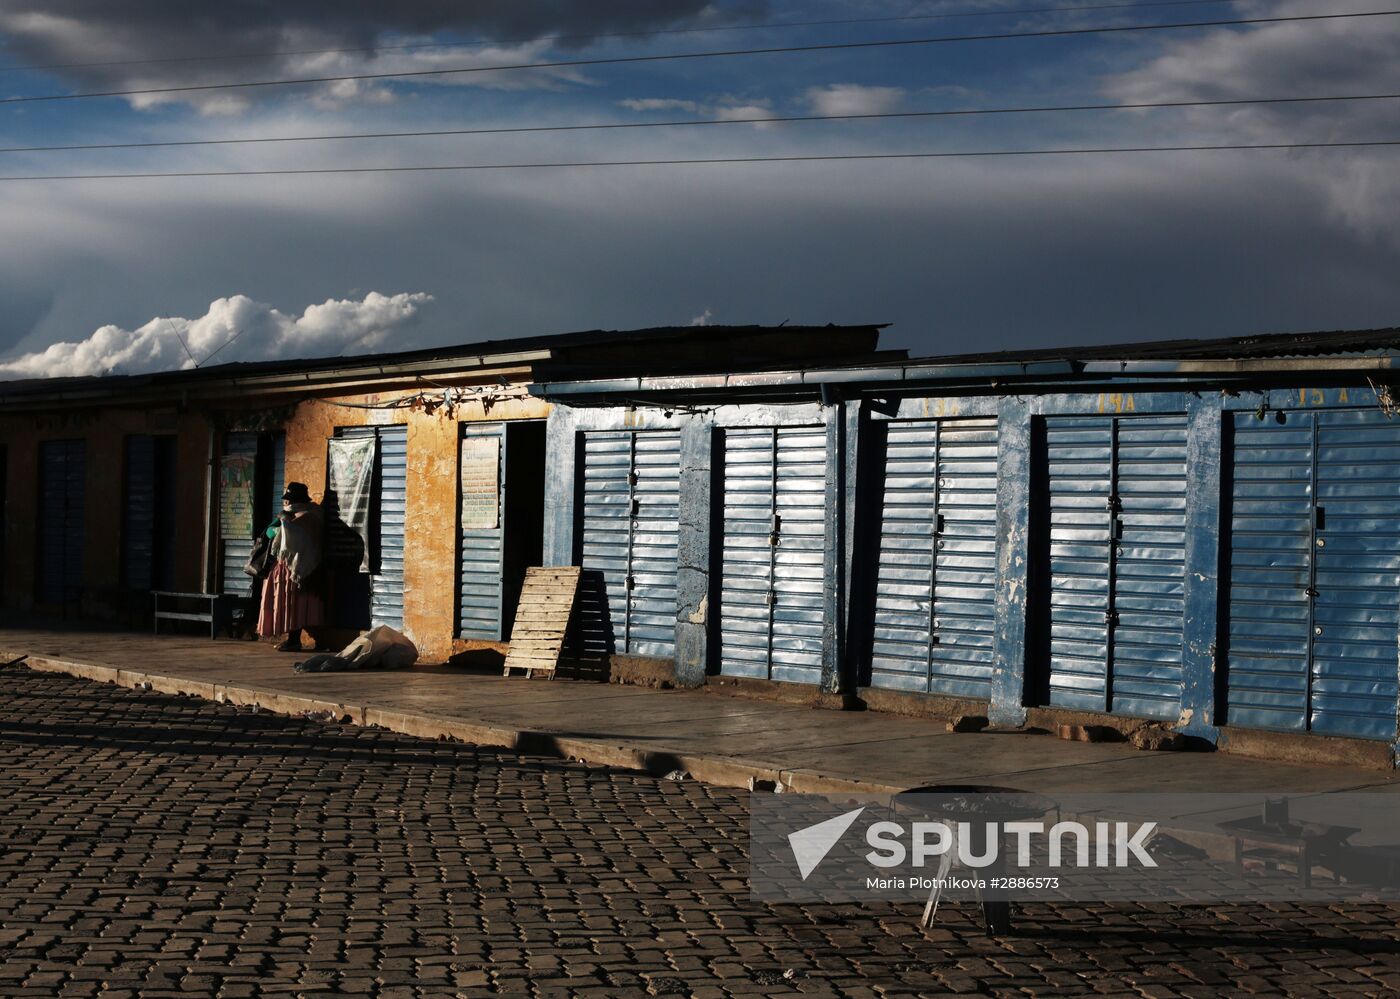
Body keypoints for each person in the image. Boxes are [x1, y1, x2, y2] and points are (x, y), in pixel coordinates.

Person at [257, 482, 326, 651]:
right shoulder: (295, 516)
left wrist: (283, 521)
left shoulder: (307, 517)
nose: (286, 503)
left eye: (288, 500)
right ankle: (294, 639)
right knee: (294, 606)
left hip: (298, 570)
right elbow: (269, 531)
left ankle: (295, 640)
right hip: (294, 569)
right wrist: (281, 519)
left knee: (296, 607)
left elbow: (279, 535)